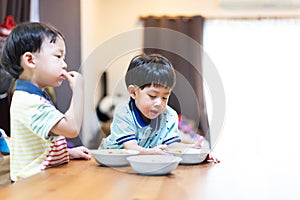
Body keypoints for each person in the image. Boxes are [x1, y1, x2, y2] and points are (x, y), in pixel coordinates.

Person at [0, 22, 91, 182]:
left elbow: (39, 145)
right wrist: (79, 91)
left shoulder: (33, 95)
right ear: (30, 60)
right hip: (31, 185)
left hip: (42, 178)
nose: (64, 64)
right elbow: (71, 129)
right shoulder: (29, 101)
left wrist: (67, 152)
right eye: (58, 56)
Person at [100, 54, 219, 163]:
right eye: (152, 96)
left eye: (165, 97)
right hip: (111, 161)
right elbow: (131, 148)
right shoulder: (124, 112)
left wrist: (194, 150)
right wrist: (152, 152)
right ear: (133, 92)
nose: (159, 103)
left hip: (140, 163)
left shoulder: (169, 115)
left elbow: (171, 146)